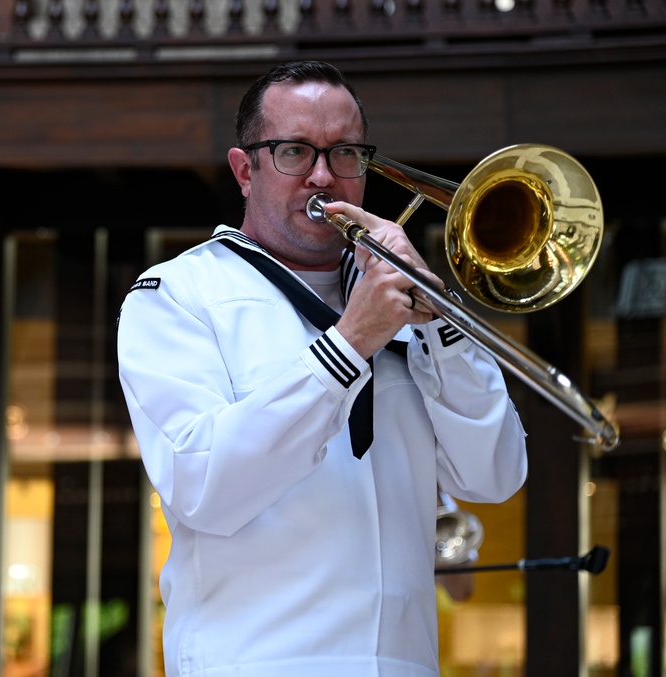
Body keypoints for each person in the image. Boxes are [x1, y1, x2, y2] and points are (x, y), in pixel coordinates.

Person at [116, 60, 528, 677]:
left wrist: (442, 323)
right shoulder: (177, 295)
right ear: (243, 170)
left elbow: (494, 476)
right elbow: (204, 486)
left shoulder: (393, 296)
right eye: (293, 152)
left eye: (344, 155)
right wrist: (348, 344)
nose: (322, 176)